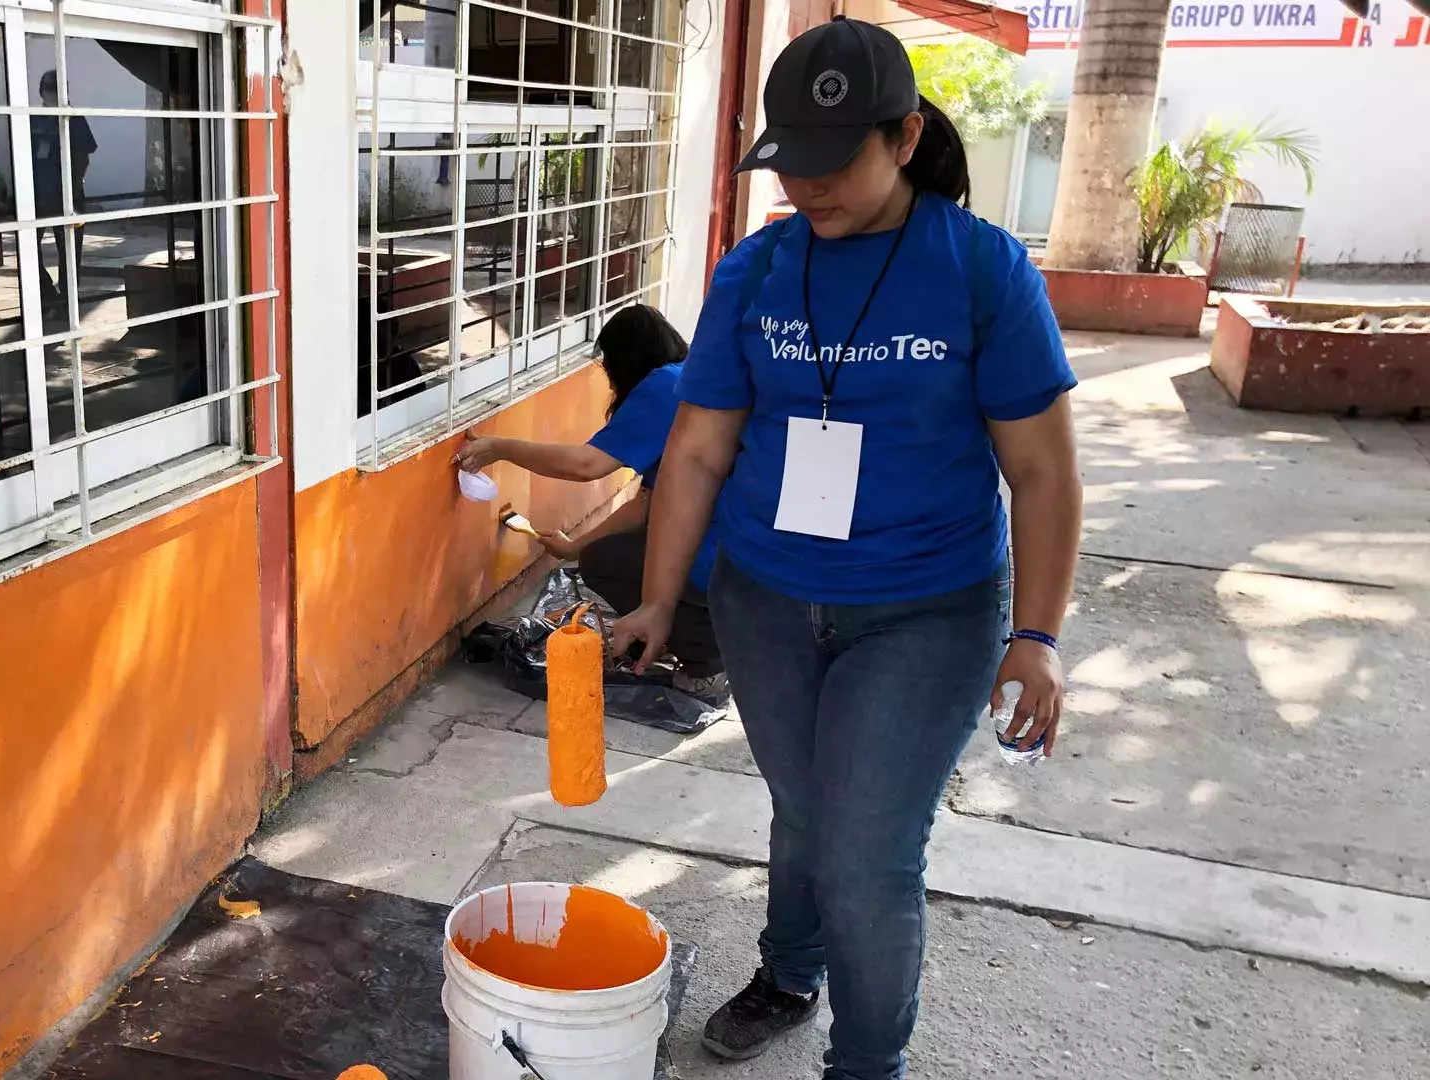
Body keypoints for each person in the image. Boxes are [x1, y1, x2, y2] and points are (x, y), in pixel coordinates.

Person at [611, 17, 1083, 1080]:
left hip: (927, 608)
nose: (808, 189)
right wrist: (653, 598)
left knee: (866, 854)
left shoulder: (982, 272)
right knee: (806, 808)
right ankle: (790, 966)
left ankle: (867, 1063)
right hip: (767, 599)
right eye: (792, 164)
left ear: (906, 136)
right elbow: (695, 453)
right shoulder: (755, 272)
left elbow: (1043, 473)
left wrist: (1039, 634)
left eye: (836, 162)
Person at [452, 304, 725, 697]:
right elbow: (646, 502)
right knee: (600, 553)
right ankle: (689, 638)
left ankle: (707, 661)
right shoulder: (685, 378)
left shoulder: (664, 387)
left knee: (604, 561)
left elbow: (586, 464)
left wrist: (501, 448)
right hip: (734, 554)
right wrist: (572, 546)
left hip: (717, 556)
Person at [33, 69, 98, 319]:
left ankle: (66, 301)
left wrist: (74, 186)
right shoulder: (34, 118)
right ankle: (47, 295)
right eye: (48, 89)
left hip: (67, 195)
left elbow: (84, 155)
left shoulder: (73, 118)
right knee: (28, 249)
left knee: (69, 252)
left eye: (55, 89)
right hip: (38, 195)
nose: (51, 94)